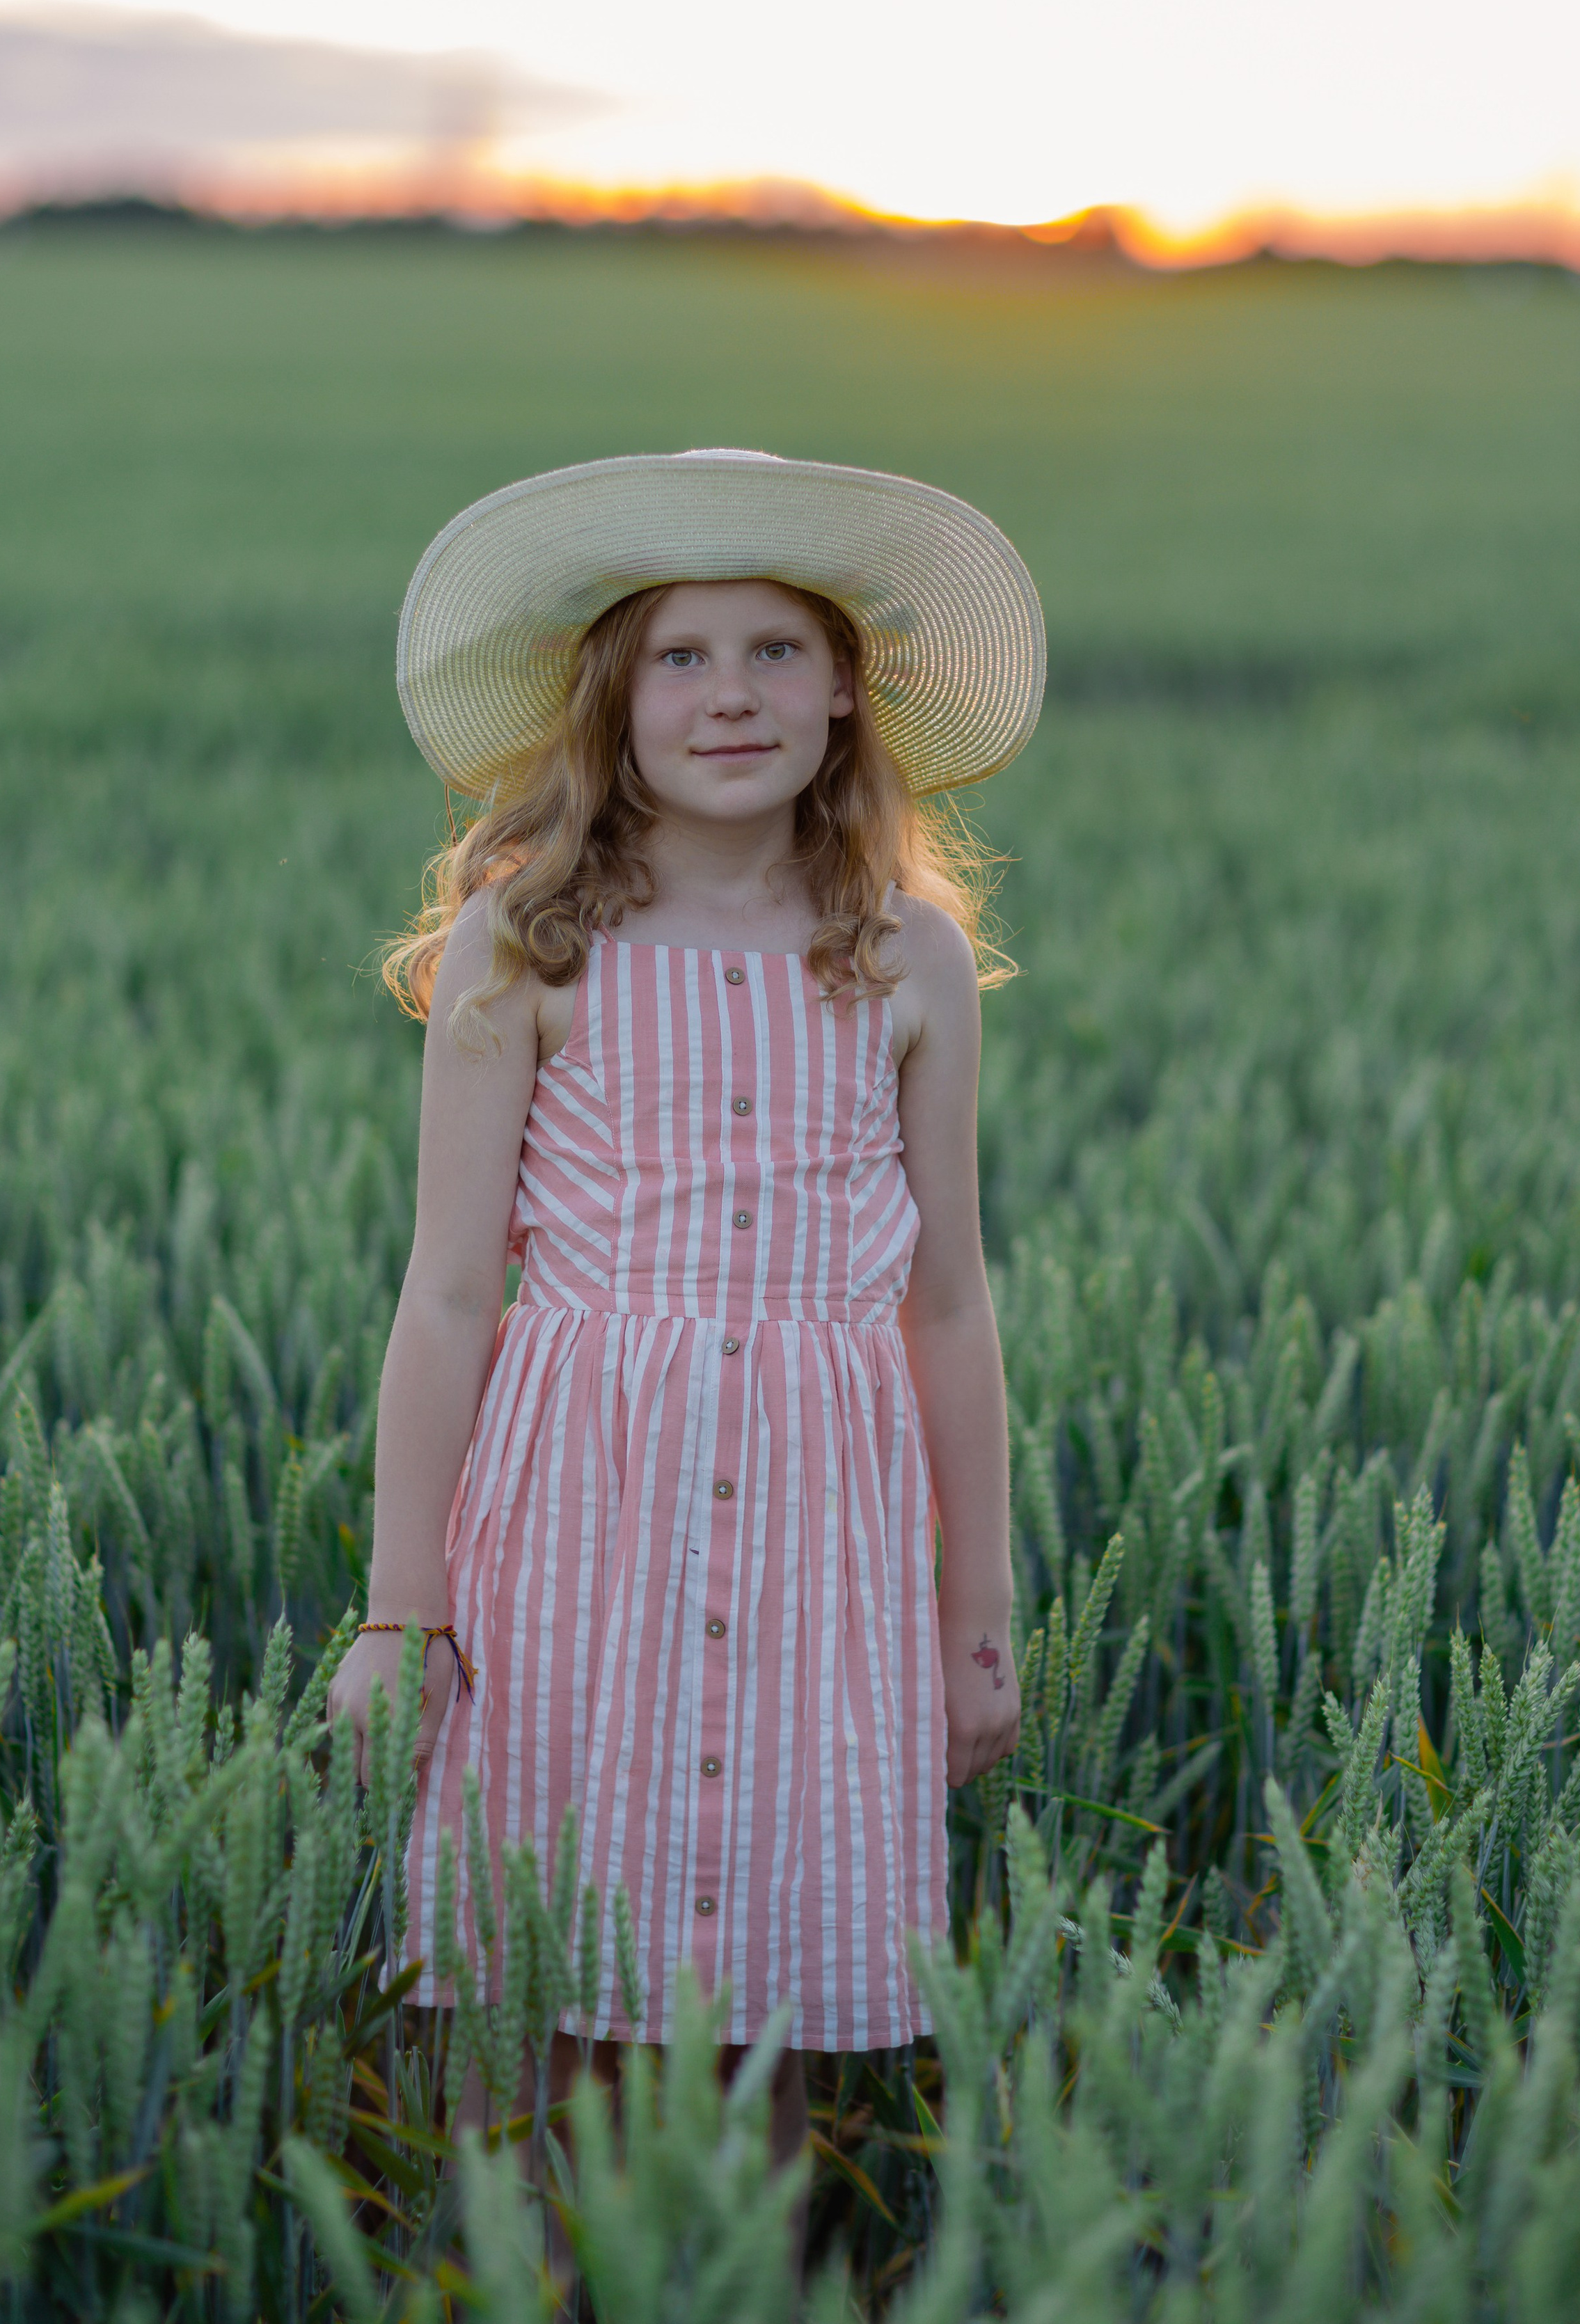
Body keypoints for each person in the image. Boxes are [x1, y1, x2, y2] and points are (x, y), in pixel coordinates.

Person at [327, 447, 1045, 2159]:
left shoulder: (906, 954)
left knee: (761, 2024)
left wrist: (978, 1603)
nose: (732, 695)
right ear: (611, 701)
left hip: (822, 1539)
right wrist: (399, 1615)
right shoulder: (528, 942)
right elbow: (445, 1298)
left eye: (777, 651)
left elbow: (945, 1302)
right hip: (579, 1520)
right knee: (537, 1993)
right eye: (681, 656)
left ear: (848, 699)